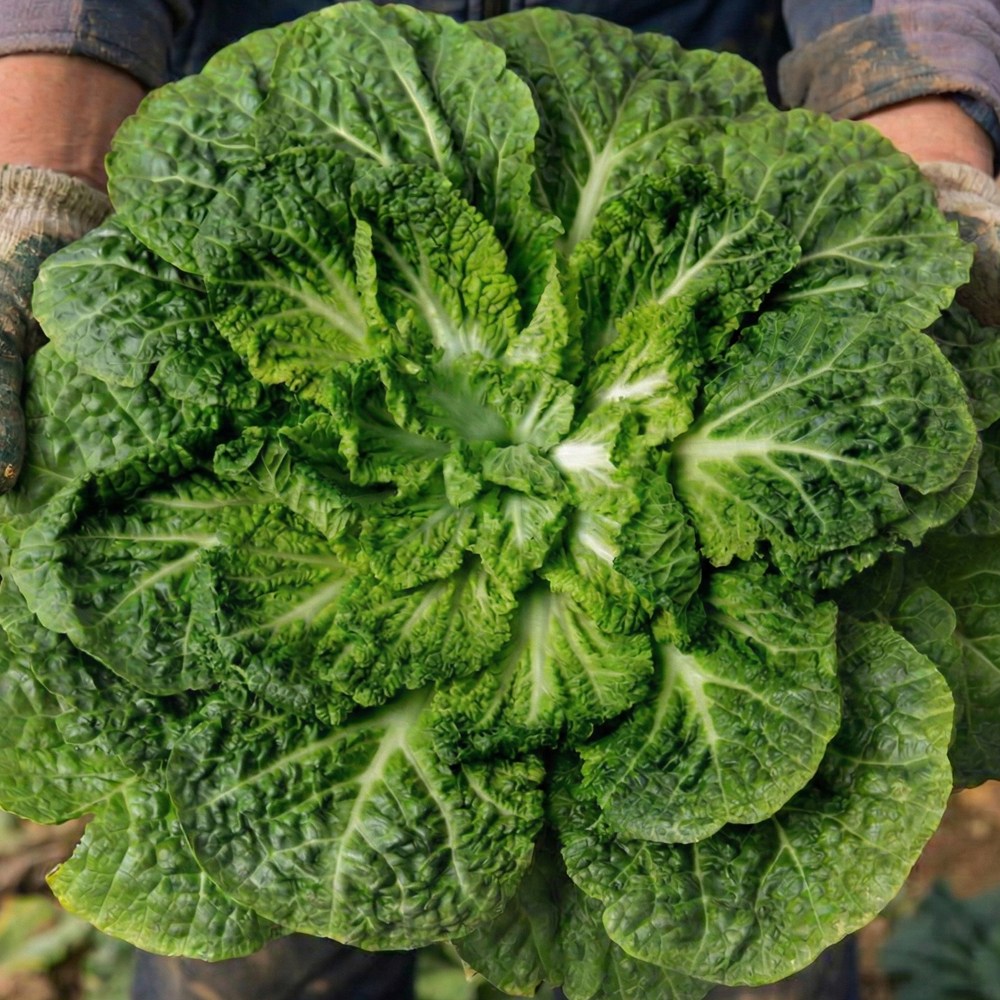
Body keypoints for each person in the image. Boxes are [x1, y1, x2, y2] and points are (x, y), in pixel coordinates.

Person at [0, 2, 998, 999]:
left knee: (735, 923)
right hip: (282, 122)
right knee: (275, 926)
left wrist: (913, 102)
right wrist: (44, 136)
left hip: (685, 99)